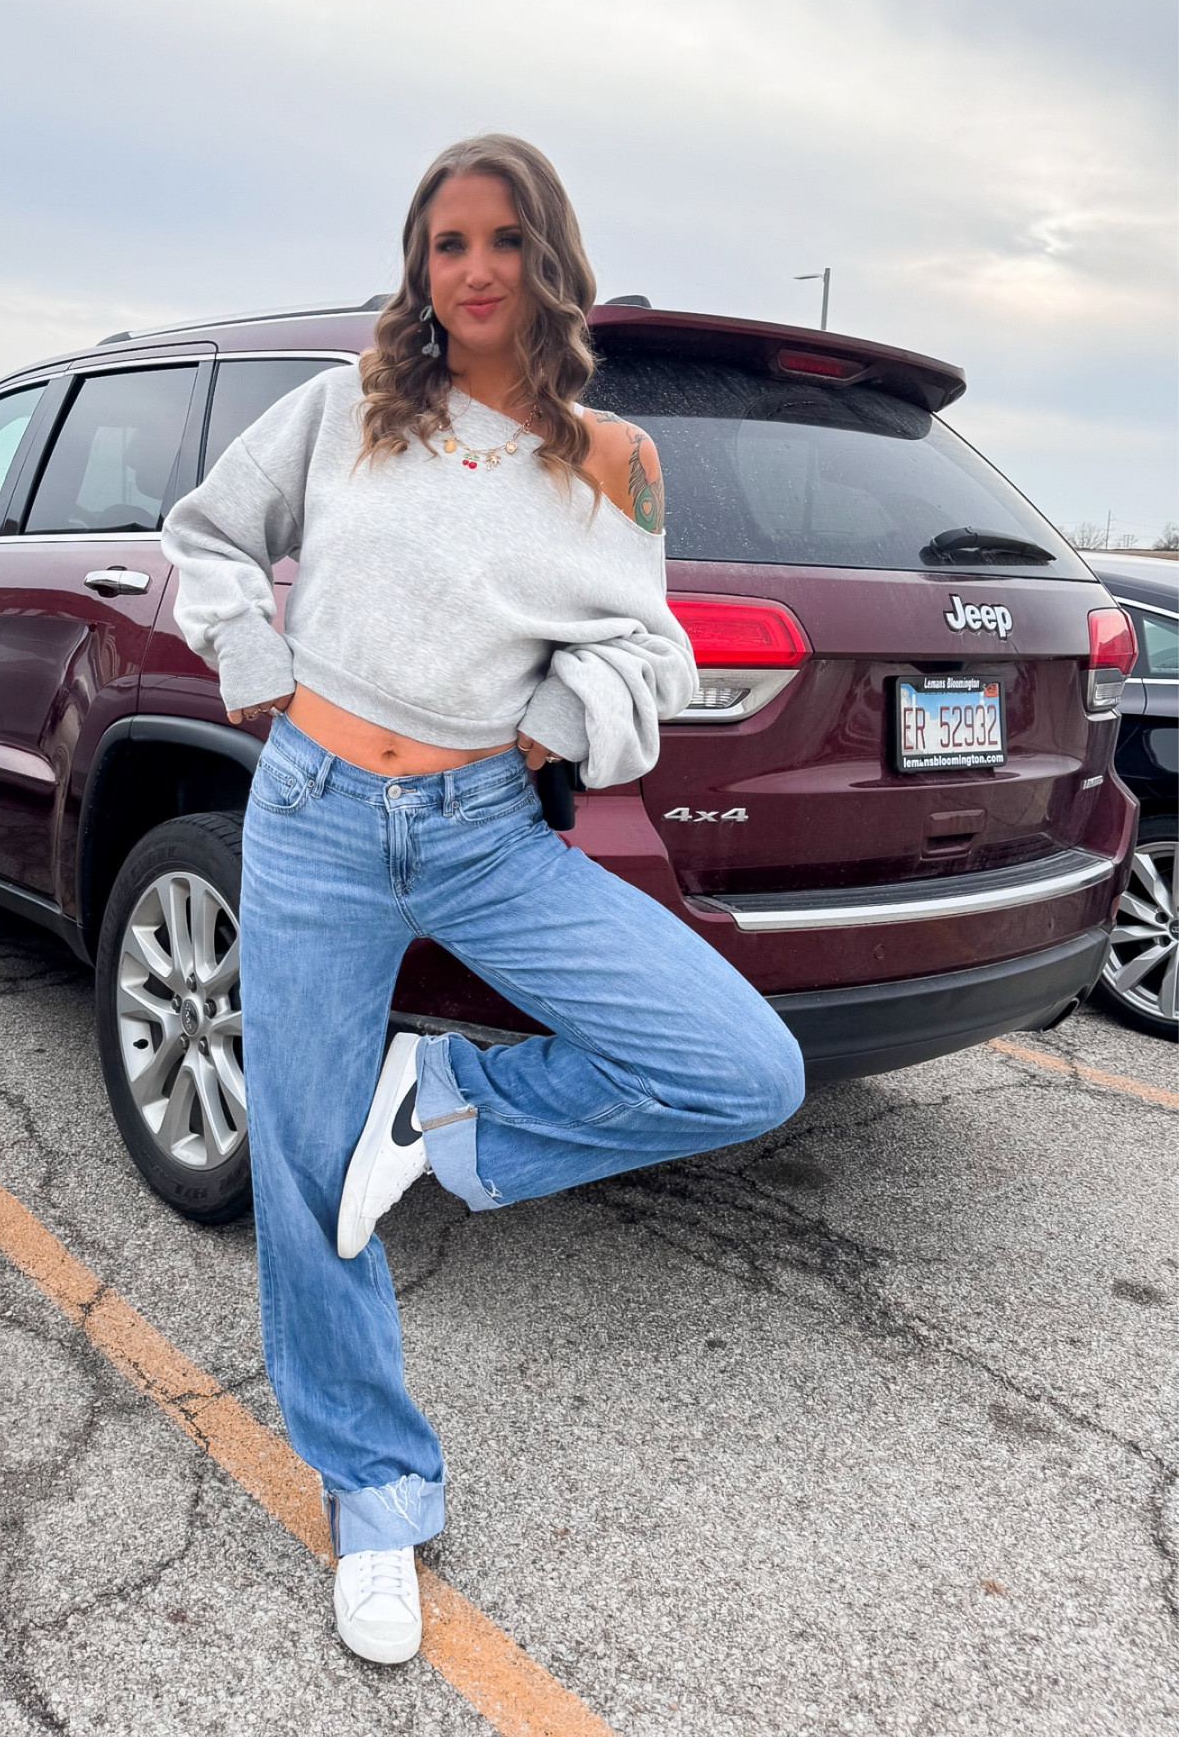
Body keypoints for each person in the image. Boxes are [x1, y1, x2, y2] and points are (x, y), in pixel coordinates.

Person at [161, 135, 804, 1664]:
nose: (471, 270)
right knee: (308, 1188)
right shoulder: (341, 412)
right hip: (314, 818)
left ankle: (440, 1104)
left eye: (500, 240)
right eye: (444, 243)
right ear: (418, 267)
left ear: (547, 260)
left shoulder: (614, 464)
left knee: (737, 1068)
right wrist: (259, 680)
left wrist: (553, 725)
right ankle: (375, 1494)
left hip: (481, 826)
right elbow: (201, 538)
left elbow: (652, 657)